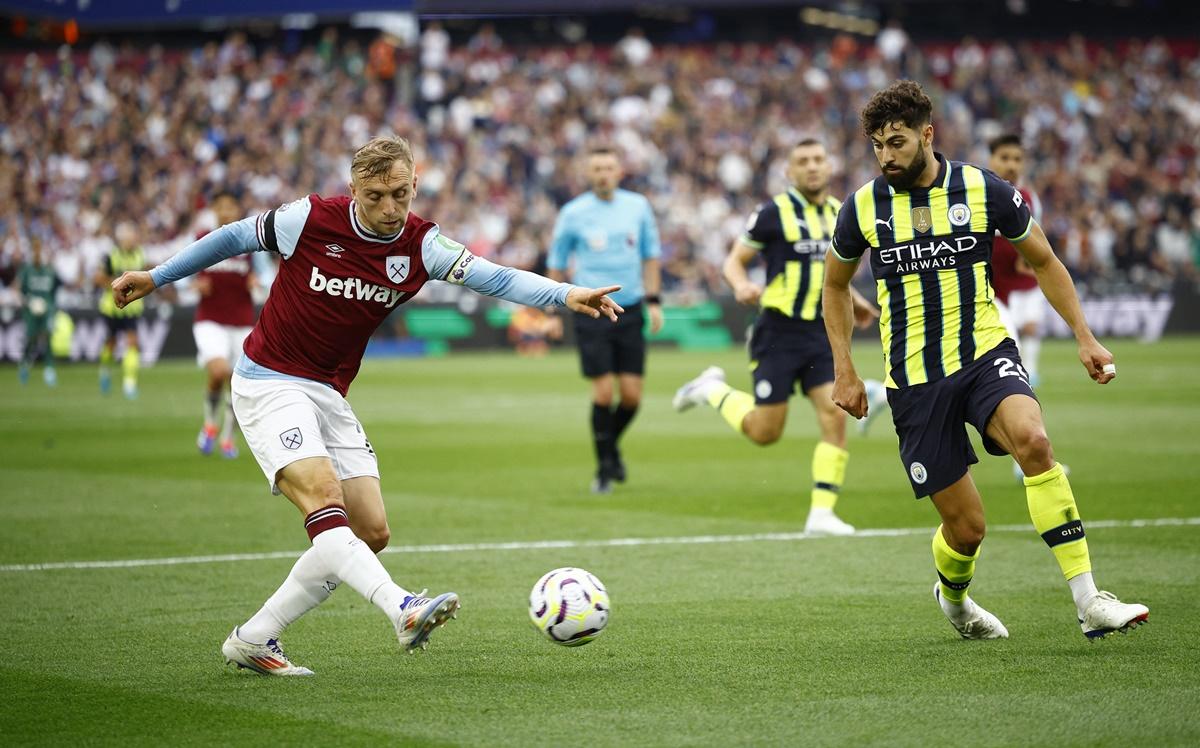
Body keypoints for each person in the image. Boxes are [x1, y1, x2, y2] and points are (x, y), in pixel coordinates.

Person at [110, 136, 623, 675]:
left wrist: (566, 294)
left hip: (328, 391)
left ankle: (255, 637)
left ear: (414, 187)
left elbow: (496, 277)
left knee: (371, 530)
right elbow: (235, 237)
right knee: (325, 501)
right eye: (375, 195)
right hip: (269, 380)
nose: (388, 208)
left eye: (400, 194)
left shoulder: (423, 246)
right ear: (353, 189)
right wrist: (157, 275)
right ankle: (401, 607)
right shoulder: (307, 219)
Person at [823, 80, 1147, 640]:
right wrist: (845, 370)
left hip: (984, 354)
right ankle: (955, 602)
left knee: (1036, 443)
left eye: (896, 142)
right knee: (968, 529)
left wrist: (1085, 336)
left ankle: (1089, 600)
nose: (886, 156)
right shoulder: (862, 208)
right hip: (916, 382)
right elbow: (834, 287)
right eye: (876, 145)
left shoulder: (982, 188)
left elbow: (1043, 260)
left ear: (927, 134)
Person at [672, 139, 885, 536]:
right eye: (803, 161)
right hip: (778, 331)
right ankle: (711, 389)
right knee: (765, 432)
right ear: (789, 171)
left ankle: (821, 512)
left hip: (819, 332)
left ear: (829, 165)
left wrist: (855, 302)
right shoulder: (772, 214)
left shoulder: (841, 211)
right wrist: (739, 285)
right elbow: (734, 262)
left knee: (833, 416)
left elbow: (831, 276)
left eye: (819, 159)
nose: (812, 167)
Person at [548, 146, 662, 494]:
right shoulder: (573, 212)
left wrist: (654, 301)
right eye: (596, 168)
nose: (603, 174)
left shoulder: (638, 206)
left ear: (619, 171)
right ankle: (604, 468)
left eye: (609, 167)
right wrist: (552, 309)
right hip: (592, 308)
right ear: (588, 172)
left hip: (631, 308)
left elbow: (651, 254)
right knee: (602, 394)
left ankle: (609, 449)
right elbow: (556, 260)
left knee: (631, 397)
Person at [193, 190, 259, 459]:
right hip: (211, 319)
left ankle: (228, 437)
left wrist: (255, 282)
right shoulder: (202, 239)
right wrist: (196, 284)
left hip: (242, 320)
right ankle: (210, 423)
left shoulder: (249, 241)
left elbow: (257, 275)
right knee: (219, 371)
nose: (226, 212)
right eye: (221, 207)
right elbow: (190, 273)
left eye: (231, 207)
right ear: (214, 210)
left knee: (238, 382)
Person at [988, 134, 1046, 385]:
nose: (1011, 165)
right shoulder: (978, 192)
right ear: (991, 159)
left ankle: (1029, 374)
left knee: (1030, 327)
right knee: (1007, 339)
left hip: (1021, 276)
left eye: (1017, 159)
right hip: (991, 281)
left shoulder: (1029, 198)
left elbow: (1037, 234)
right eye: (1004, 158)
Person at [96, 221, 146, 399]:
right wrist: (116, 286)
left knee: (132, 343)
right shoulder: (111, 256)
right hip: (111, 308)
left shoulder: (140, 255)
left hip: (132, 308)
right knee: (111, 343)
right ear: (121, 239)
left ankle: (129, 383)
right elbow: (98, 278)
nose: (132, 241)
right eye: (129, 237)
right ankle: (105, 370)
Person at [16, 238, 61, 387]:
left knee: (47, 336)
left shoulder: (49, 271)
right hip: (31, 311)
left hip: (47, 309)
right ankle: (24, 364)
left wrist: (51, 307)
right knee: (31, 338)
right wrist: (29, 302)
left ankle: (49, 370)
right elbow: (19, 290)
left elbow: (54, 291)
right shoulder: (27, 271)